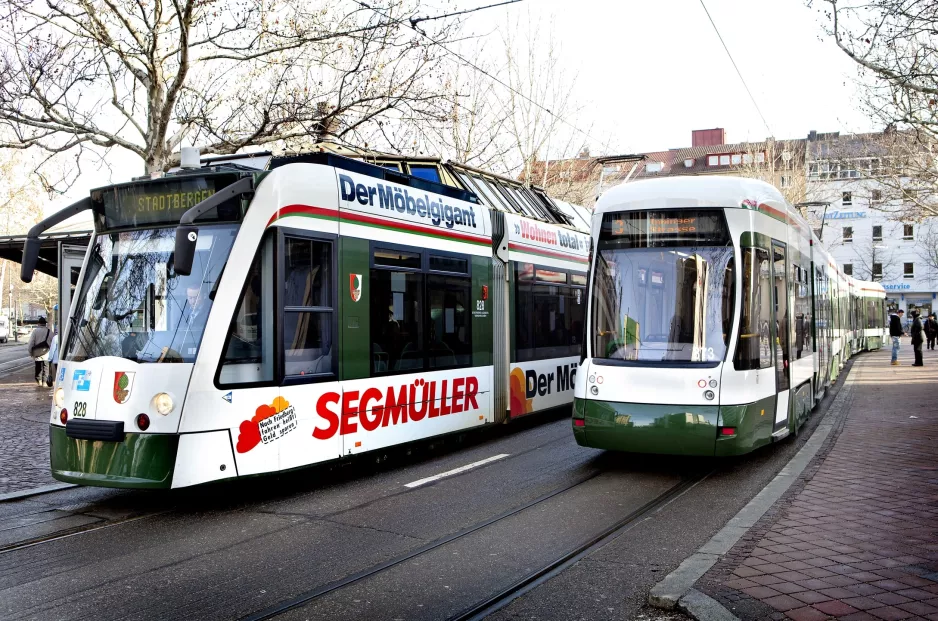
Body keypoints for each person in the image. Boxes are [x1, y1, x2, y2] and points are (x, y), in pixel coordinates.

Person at [27, 316, 52, 386]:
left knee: (38, 367)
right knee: (46, 367)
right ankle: (44, 382)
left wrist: (31, 352)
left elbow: (31, 343)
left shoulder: (35, 331)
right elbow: (53, 342)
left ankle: (39, 381)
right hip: (47, 353)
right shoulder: (49, 331)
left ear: (38, 324)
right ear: (45, 324)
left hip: (37, 353)